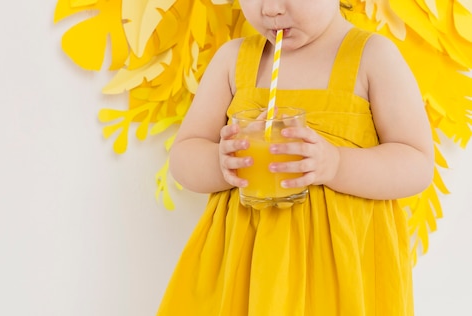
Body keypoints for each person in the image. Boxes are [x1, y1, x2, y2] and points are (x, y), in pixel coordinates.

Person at [157, 0, 434, 315]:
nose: (271, 9)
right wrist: (221, 163)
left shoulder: (372, 57)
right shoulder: (233, 60)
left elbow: (417, 163)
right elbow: (184, 154)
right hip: (245, 271)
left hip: (339, 272)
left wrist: (336, 164)